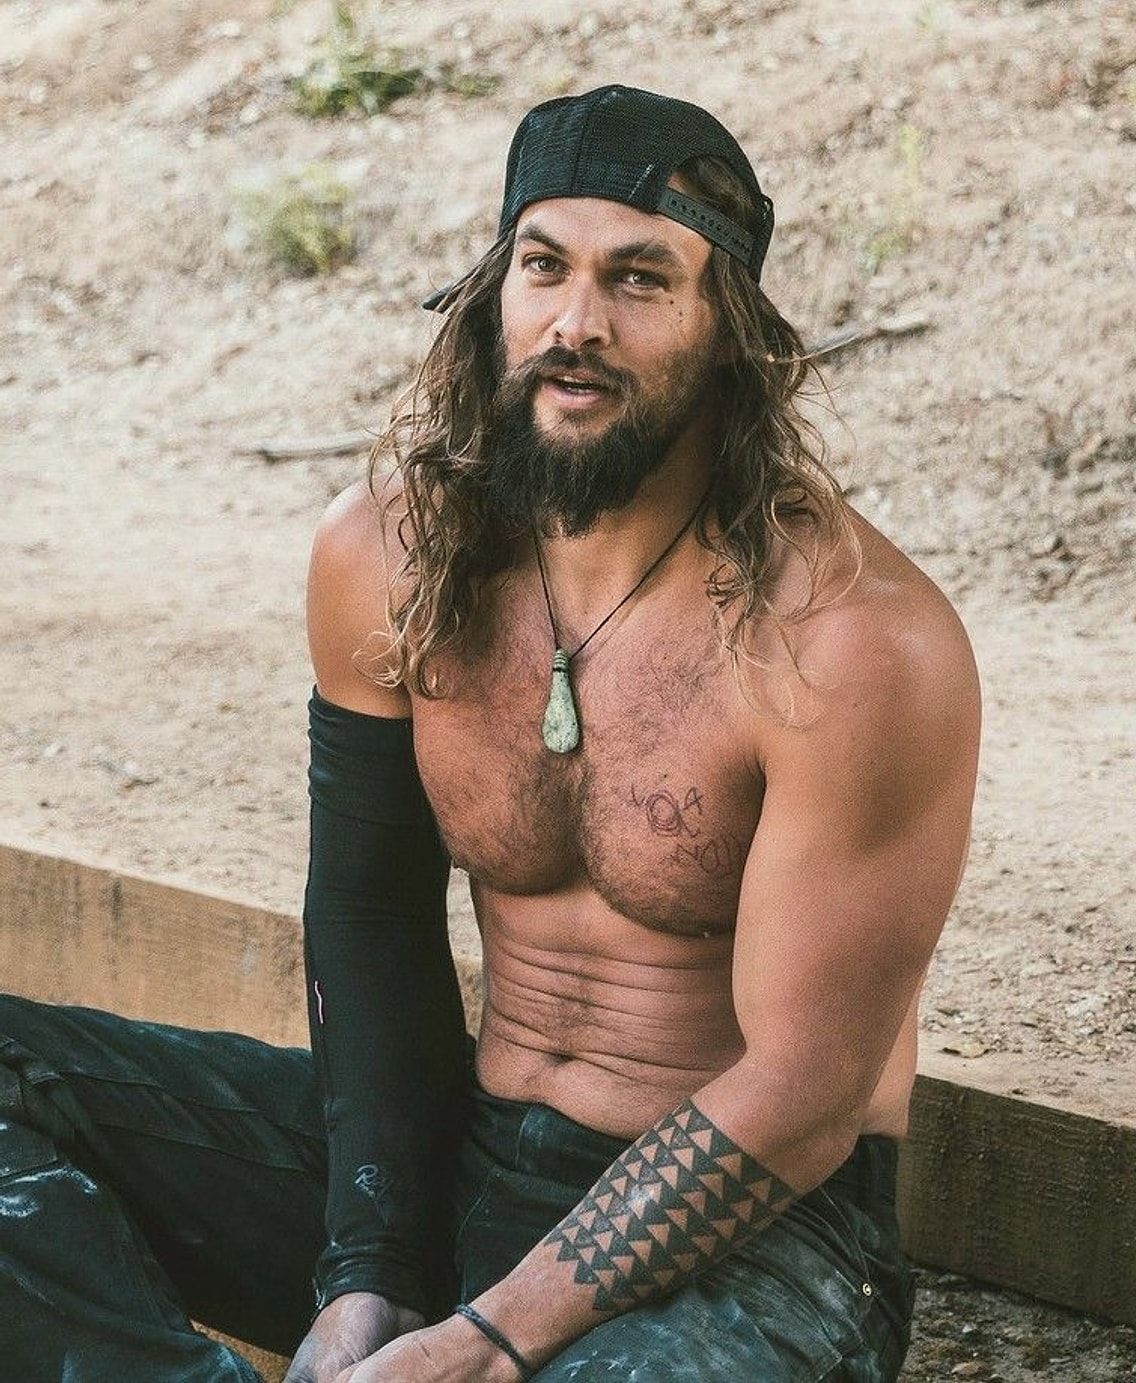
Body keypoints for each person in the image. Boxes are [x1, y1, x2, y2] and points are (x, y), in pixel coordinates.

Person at [0, 85, 980, 1382]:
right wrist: (369, 1272)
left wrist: (487, 1342)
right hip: (463, 1156)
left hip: (757, 1242)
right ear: (493, 293)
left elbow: (808, 1096)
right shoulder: (393, 554)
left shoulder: (849, 641)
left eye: (641, 278)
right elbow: (371, 921)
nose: (578, 322)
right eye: (544, 266)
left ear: (730, 328)